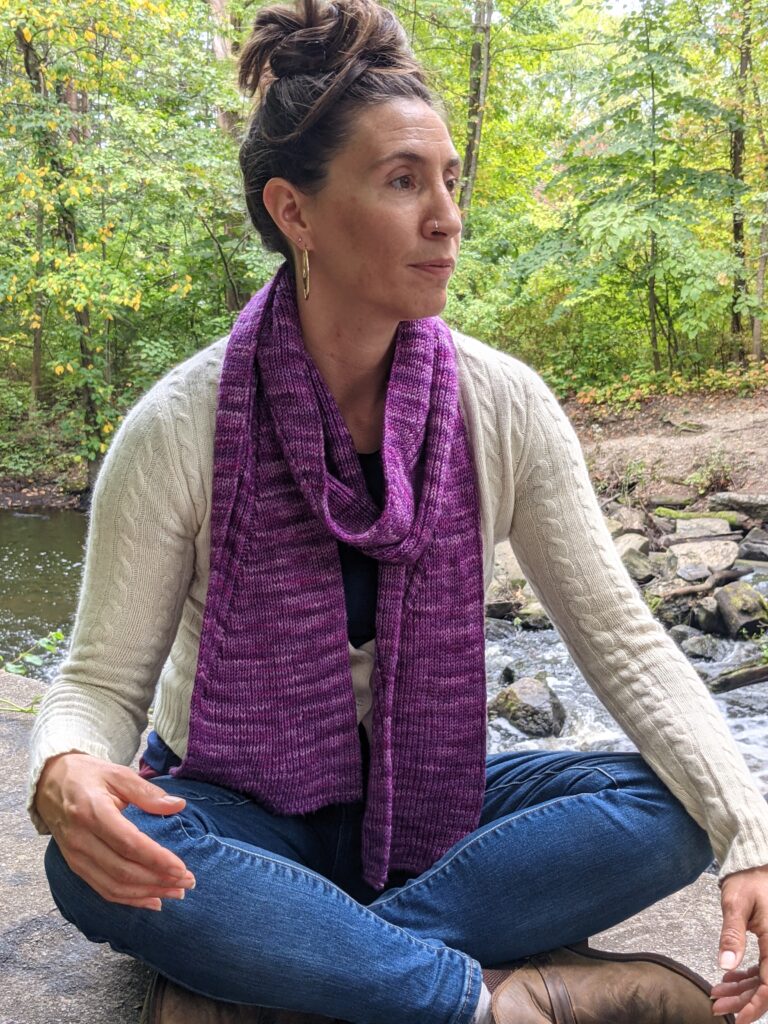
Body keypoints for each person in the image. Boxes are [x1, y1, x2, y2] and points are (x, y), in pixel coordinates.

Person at [28, 1, 768, 1022]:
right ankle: (485, 997)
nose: (447, 217)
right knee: (85, 863)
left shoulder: (501, 404)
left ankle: (293, 959)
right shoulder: (179, 427)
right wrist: (65, 765)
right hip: (240, 807)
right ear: (296, 212)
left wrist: (748, 836)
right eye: (402, 182)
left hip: (433, 805)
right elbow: (100, 682)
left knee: (676, 807)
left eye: (451, 181)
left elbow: (629, 651)